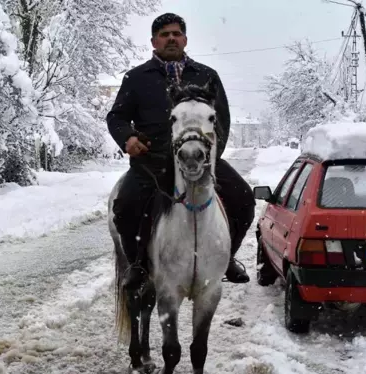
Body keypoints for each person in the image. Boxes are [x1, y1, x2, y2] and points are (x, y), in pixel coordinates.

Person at [107, 12, 255, 290]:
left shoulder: (206, 76)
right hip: (150, 163)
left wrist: (209, 158)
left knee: (244, 199)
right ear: (154, 41)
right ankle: (137, 264)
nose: (171, 38)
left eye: (176, 33)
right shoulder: (137, 78)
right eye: (165, 34)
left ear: (185, 39)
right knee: (125, 207)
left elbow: (221, 122)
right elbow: (116, 117)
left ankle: (227, 257)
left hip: (200, 162)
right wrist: (127, 139)